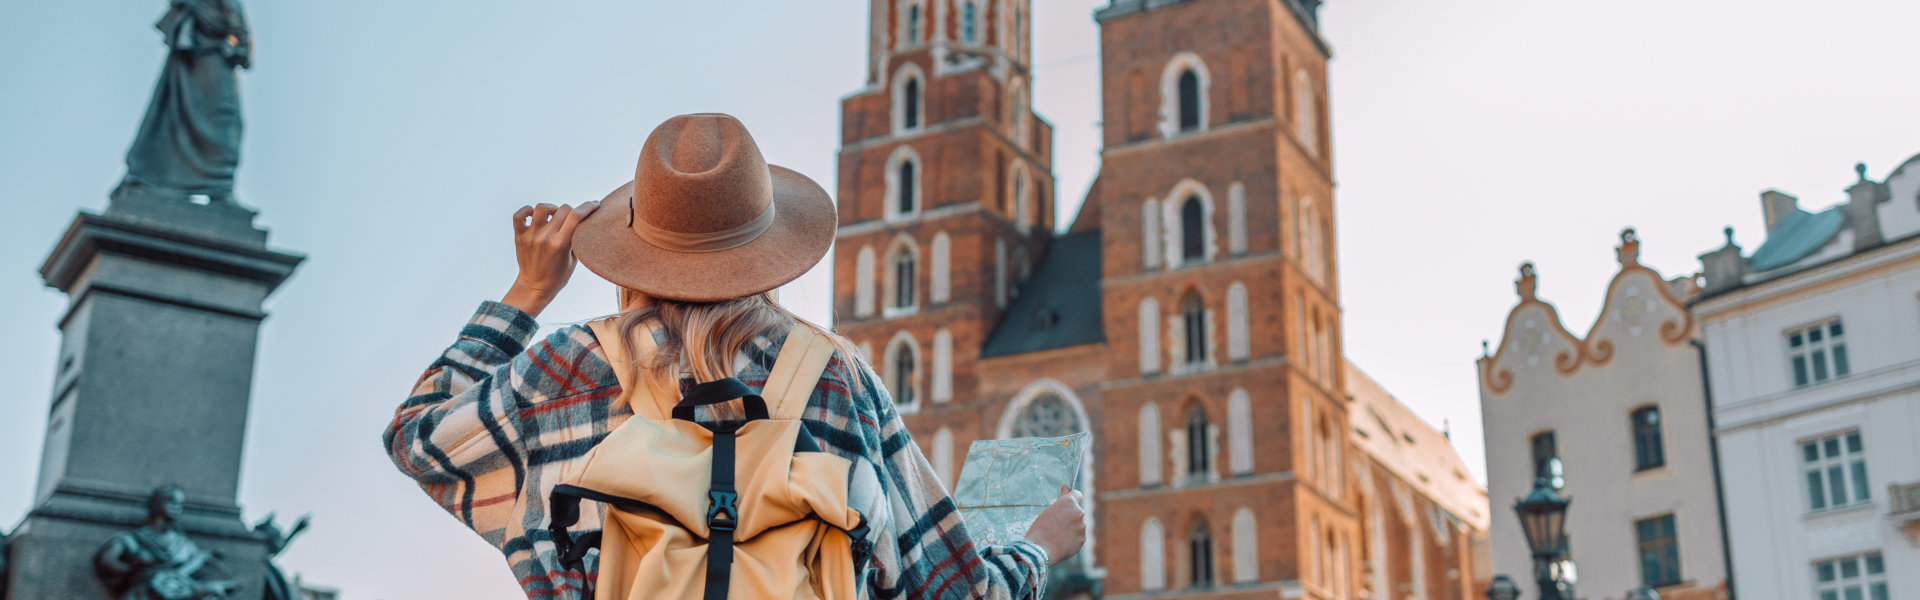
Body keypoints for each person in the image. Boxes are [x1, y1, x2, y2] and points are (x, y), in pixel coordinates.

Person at [384, 113, 1085, 599]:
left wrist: (527, 293)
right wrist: (1040, 547)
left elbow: (416, 439)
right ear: (769, 250)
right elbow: (957, 591)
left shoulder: (568, 368)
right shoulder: (836, 376)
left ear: (635, 247)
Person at [94, 485, 238, 600]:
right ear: (155, 503)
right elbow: (107, 560)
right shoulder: (134, 538)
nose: (176, 506)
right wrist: (130, 571)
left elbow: (204, 575)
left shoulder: (185, 545)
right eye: (170, 500)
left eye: (180, 503)